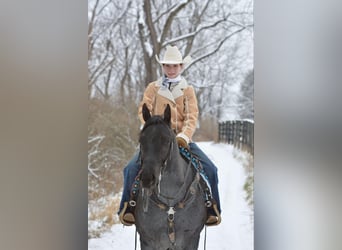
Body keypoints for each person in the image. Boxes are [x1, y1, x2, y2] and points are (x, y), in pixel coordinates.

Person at [118, 45, 221, 226]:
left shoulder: (187, 90)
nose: (171, 70)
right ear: (163, 67)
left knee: (210, 169)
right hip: (157, 139)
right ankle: (128, 207)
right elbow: (143, 109)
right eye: (167, 66)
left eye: (175, 66)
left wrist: (184, 136)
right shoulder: (153, 88)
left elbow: (191, 116)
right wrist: (151, 127)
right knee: (130, 169)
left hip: (182, 138)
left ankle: (212, 207)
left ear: (181, 67)